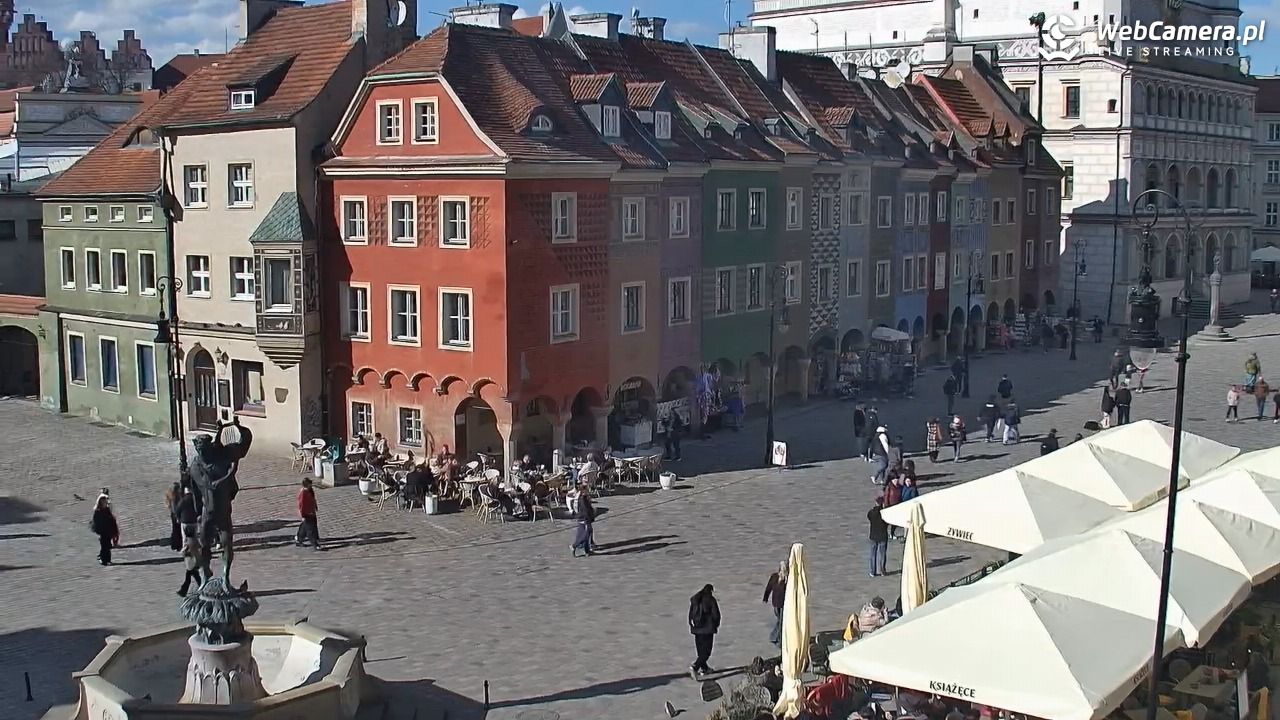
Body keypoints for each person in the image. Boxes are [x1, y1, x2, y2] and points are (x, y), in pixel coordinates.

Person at [688, 584, 721, 678]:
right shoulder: (711, 600)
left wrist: (692, 626)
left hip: (697, 629)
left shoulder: (695, 600)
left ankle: (705, 668)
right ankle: (695, 666)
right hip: (707, 630)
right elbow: (716, 614)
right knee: (706, 652)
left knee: (700, 651)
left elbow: (690, 615)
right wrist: (715, 625)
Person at [762, 560, 787, 648]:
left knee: (781, 621)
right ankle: (775, 637)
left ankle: (776, 637)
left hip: (783, 604)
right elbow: (769, 587)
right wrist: (765, 597)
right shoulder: (776, 578)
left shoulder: (787, 580)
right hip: (777, 604)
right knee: (780, 621)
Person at [90, 495, 118, 566]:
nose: (106, 503)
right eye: (104, 502)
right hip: (103, 532)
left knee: (108, 546)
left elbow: (111, 520)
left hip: (108, 532)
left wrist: (114, 531)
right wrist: (100, 531)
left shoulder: (107, 510)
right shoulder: (98, 512)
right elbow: (96, 523)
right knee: (104, 547)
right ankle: (103, 559)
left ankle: (108, 559)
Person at [867, 497, 890, 577]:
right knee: (882, 554)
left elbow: (869, 517)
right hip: (883, 536)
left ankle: (872, 571)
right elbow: (887, 522)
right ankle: (882, 571)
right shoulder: (884, 513)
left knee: (873, 554)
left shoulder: (871, 512)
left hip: (873, 536)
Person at [295, 478, 320, 549]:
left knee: (305, 527)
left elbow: (312, 500)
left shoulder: (309, 491)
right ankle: (315, 544)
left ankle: (299, 539)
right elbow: (301, 505)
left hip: (311, 512)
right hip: (307, 513)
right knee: (310, 529)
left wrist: (315, 506)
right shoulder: (303, 493)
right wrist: (302, 515)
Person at [572, 482, 595, 557]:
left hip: (584, 518)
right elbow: (585, 510)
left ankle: (586, 551)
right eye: (587, 490)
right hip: (584, 518)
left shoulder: (584, 498)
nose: (588, 491)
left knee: (586, 533)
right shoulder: (582, 499)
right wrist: (589, 517)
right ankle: (575, 546)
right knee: (585, 534)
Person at [164, 481, 182, 551]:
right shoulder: (175, 498)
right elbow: (175, 508)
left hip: (173, 514)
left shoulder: (170, 496)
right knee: (177, 530)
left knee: (175, 530)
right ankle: (177, 545)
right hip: (176, 515)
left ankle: (174, 544)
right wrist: (177, 516)